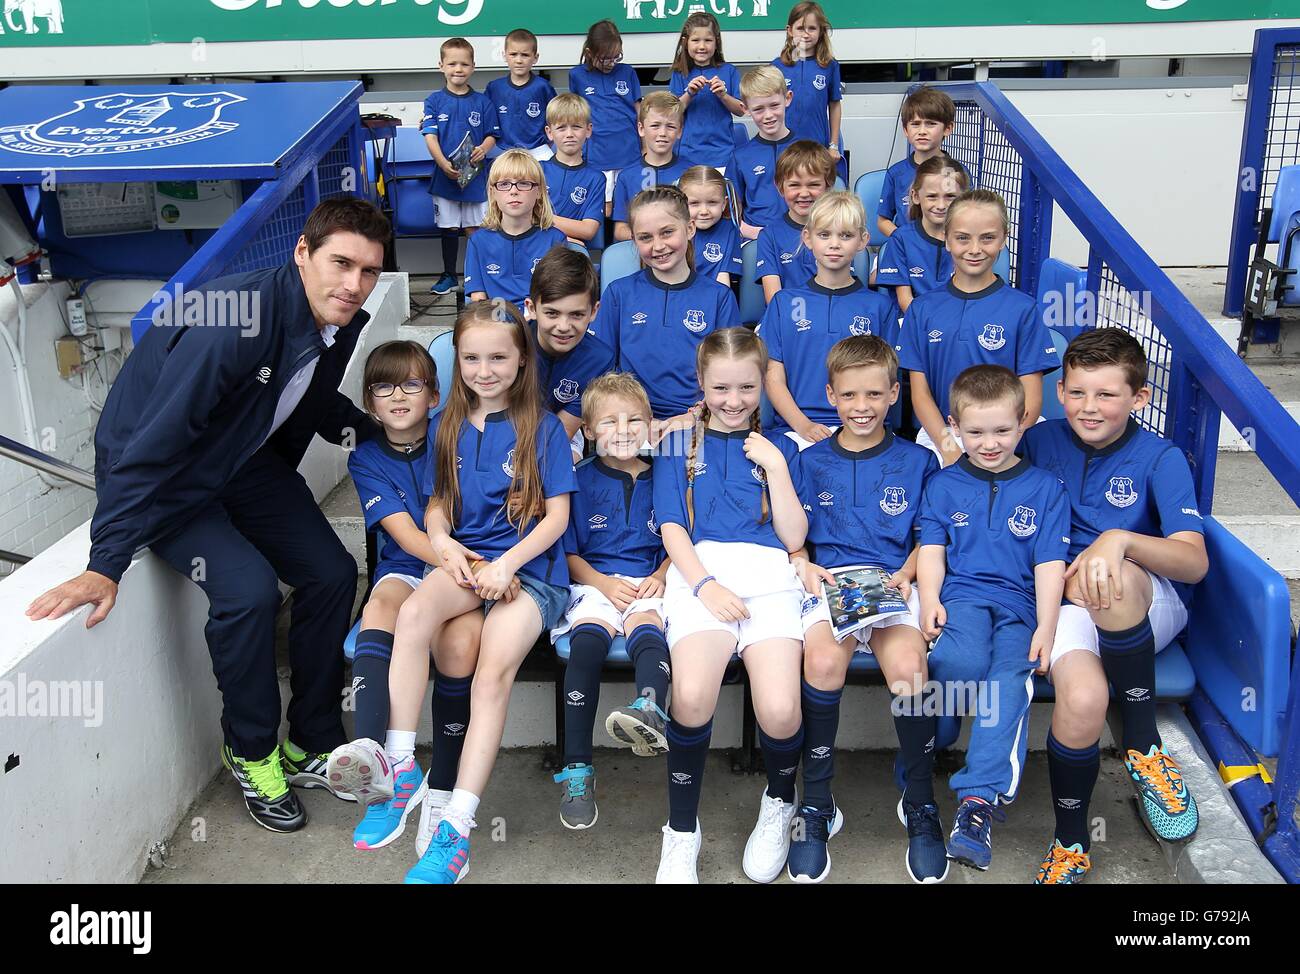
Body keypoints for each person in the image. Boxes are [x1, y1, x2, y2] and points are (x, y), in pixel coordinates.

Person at [26, 198, 392, 833]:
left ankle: (312, 739)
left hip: (240, 461)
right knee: (248, 590)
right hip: (172, 475)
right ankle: (251, 751)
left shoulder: (338, 316)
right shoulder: (237, 322)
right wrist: (105, 562)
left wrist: (373, 429)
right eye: (341, 263)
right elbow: (151, 445)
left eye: (368, 271)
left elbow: (300, 388)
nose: (354, 284)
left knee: (330, 573)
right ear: (302, 254)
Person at [331, 299, 576, 885]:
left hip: (530, 573)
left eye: (498, 357)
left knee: (491, 674)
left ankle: (457, 830)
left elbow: (557, 518)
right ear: (457, 361)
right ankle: (400, 758)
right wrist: (442, 541)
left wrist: (507, 564)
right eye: (471, 357)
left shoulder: (541, 425)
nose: (484, 369)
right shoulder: (447, 426)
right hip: (468, 561)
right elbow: (438, 503)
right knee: (413, 615)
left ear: (521, 361)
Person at [1022, 329, 1207, 884]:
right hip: (1063, 598)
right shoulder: (1035, 441)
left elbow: (1193, 563)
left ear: (1139, 398)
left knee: (1112, 578)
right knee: (1082, 700)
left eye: (1106, 395)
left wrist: (1119, 541)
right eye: (1078, 393)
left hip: (1142, 598)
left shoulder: (1161, 456)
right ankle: (1072, 843)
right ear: (1060, 392)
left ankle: (1145, 746)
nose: (1090, 407)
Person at [652, 327, 808, 884]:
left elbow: (794, 538)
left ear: (763, 384)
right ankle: (680, 834)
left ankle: (779, 802)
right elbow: (672, 526)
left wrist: (779, 468)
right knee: (691, 697)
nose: (734, 400)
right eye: (721, 388)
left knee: (781, 710)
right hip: (702, 576)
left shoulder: (783, 446)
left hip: (770, 579)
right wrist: (703, 586)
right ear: (701, 383)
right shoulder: (676, 441)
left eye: (747, 387)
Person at [784, 335, 941, 883]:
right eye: (849, 394)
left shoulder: (919, 461)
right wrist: (801, 560)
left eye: (875, 393)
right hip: (833, 582)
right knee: (823, 662)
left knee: (909, 669)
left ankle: (919, 803)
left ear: (895, 394)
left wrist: (909, 571)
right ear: (830, 394)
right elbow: (791, 532)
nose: (862, 406)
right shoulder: (808, 460)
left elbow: (933, 533)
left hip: (895, 580)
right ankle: (817, 804)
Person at [916, 364, 1069, 872]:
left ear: (1023, 422)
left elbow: (1050, 564)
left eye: (1002, 430)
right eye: (975, 432)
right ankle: (938, 728)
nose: (988, 443)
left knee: (1009, 681)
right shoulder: (942, 484)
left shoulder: (1046, 488)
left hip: (1021, 605)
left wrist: (1047, 626)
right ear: (955, 427)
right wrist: (930, 599)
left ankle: (977, 802)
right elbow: (932, 549)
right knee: (958, 660)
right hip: (961, 596)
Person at [341, 340, 487, 851]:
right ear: (368, 400)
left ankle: (442, 786)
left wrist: (472, 566)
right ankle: (381, 768)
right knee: (381, 606)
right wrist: (461, 564)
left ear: (434, 394)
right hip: (417, 564)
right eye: (383, 386)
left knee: (457, 646)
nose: (398, 395)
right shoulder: (365, 459)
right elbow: (405, 539)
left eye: (412, 384)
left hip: (474, 569)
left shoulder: (460, 431)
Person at [549, 372, 673, 829]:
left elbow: (681, 542)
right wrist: (602, 584)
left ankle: (649, 711)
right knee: (586, 646)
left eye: (634, 420)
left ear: (651, 424)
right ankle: (577, 768)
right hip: (593, 583)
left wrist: (660, 575)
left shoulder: (667, 477)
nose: (622, 430)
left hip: (651, 582)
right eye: (608, 422)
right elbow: (569, 553)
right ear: (586, 430)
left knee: (649, 632)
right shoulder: (577, 481)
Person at [898, 189, 1059, 466]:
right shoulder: (922, 308)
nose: (975, 249)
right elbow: (921, 394)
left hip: (1007, 437)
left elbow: (1031, 399)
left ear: (1003, 240)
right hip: (946, 435)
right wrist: (950, 450)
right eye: (962, 238)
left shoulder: (1023, 309)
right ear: (947, 240)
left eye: (987, 238)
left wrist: (999, 445)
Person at [593, 185, 741, 434]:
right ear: (634, 240)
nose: (658, 245)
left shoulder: (719, 297)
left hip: (699, 422)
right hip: (630, 425)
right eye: (645, 237)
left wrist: (694, 416)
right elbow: (601, 369)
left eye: (667, 232)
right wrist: (630, 419)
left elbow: (732, 374)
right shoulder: (619, 293)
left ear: (690, 229)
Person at [758, 191, 897, 448]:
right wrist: (803, 425)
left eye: (845, 235)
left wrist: (859, 425)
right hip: (796, 429)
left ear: (863, 240)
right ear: (808, 238)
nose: (835, 244)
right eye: (824, 234)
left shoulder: (880, 306)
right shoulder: (783, 302)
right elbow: (773, 378)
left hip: (863, 427)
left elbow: (887, 382)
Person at [422, 37, 500, 296]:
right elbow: (430, 136)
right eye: (452, 63)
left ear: (473, 67)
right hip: (445, 177)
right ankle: (448, 275)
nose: (458, 69)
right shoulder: (433, 101)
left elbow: (492, 135)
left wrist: (484, 148)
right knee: (449, 227)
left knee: (474, 229)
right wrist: (442, 163)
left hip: (475, 179)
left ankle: (475, 276)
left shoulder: (482, 102)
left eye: (464, 64)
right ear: (440, 65)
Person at [524, 246, 614, 447]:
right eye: (552, 313)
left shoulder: (599, 359)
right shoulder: (511, 344)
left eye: (576, 315)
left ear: (593, 311)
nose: (563, 327)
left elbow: (562, 434)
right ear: (532, 309)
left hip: (556, 433)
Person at [463, 149, 567, 310]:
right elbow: (478, 300)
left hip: (539, 323)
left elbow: (556, 297)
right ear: (493, 192)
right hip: (495, 325)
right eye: (504, 184)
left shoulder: (555, 239)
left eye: (523, 183)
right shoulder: (478, 241)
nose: (513, 191)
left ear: (539, 191)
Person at [876, 155, 968, 313]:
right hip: (915, 324)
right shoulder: (901, 239)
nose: (941, 205)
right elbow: (905, 301)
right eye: (932, 196)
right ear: (916, 196)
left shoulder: (969, 239)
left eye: (950, 197)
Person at [570, 19, 642, 216]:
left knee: (631, 205)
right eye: (605, 58)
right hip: (597, 153)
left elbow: (639, 111)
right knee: (605, 208)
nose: (611, 63)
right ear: (589, 54)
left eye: (615, 57)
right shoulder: (577, 75)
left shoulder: (627, 72)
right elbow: (575, 115)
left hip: (629, 151)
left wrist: (646, 145)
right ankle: (603, 247)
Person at [772, 2, 845, 182]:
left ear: (821, 31)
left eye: (812, 28)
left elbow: (835, 105)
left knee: (817, 197)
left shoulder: (829, 65)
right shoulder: (776, 66)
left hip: (817, 147)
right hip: (784, 148)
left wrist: (833, 145)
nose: (806, 34)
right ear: (789, 30)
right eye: (800, 28)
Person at [755, 140, 836, 301]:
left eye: (813, 184)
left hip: (830, 316)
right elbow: (774, 299)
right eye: (794, 185)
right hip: (786, 318)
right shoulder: (769, 235)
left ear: (828, 186)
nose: (804, 193)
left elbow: (843, 291)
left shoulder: (840, 231)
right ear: (780, 187)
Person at [878, 86, 959, 239]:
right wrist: (904, 241)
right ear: (905, 130)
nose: (922, 131)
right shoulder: (896, 173)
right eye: (915, 124)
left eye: (930, 123)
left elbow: (966, 217)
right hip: (905, 254)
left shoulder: (958, 173)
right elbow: (883, 221)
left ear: (948, 128)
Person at [668, 10, 745, 172]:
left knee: (721, 196)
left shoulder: (729, 71)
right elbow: (672, 113)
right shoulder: (680, 73)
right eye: (696, 40)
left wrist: (723, 95)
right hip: (687, 155)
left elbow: (741, 110)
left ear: (716, 42)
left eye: (708, 40)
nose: (702, 46)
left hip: (723, 153)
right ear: (685, 42)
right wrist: (689, 93)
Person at [611, 92, 694, 241]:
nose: (662, 133)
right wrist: (648, 237)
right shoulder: (627, 176)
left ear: (680, 131)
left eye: (670, 126)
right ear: (641, 128)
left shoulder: (691, 173)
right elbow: (620, 229)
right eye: (655, 126)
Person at [730, 65, 799, 241]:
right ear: (745, 108)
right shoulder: (740, 157)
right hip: (756, 240)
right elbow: (731, 210)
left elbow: (825, 203)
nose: (768, 115)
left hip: (802, 237)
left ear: (788, 98)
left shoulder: (808, 150)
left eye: (774, 105)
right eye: (759, 109)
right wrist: (750, 232)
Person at [541, 93, 607, 246]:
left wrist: (541, 218)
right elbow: (524, 220)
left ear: (588, 130)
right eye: (561, 128)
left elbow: (588, 230)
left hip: (572, 256)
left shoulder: (596, 178)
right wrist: (565, 238)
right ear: (549, 132)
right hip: (535, 248)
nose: (569, 134)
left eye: (576, 127)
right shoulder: (536, 170)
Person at [486, 27, 556, 161]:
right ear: (504, 55)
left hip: (539, 150)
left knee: (547, 181)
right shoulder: (495, 88)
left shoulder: (543, 87)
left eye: (525, 55)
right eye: (513, 54)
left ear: (535, 58)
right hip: (505, 152)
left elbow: (555, 117)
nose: (519, 60)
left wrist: (548, 141)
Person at [680, 164, 743, 286]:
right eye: (694, 203)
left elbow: (723, 277)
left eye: (712, 202)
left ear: (724, 203)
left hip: (715, 296)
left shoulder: (729, 229)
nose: (704, 211)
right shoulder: (677, 229)